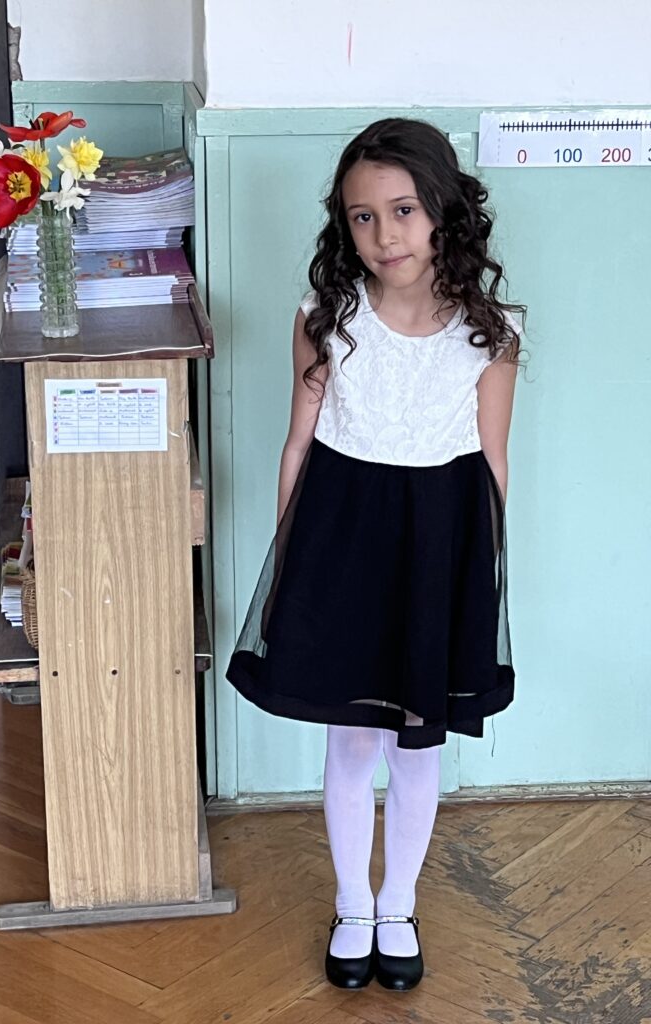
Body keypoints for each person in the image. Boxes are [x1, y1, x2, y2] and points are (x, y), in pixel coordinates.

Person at [226, 117, 525, 992]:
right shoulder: (328, 319)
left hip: (438, 546)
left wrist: (478, 581)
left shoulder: (491, 332)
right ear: (344, 226)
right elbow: (298, 445)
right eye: (362, 217)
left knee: (418, 747)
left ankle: (400, 904)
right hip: (342, 540)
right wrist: (289, 564)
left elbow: (493, 462)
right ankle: (353, 903)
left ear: (443, 212)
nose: (385, 234)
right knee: (353, 739)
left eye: (402, 210)